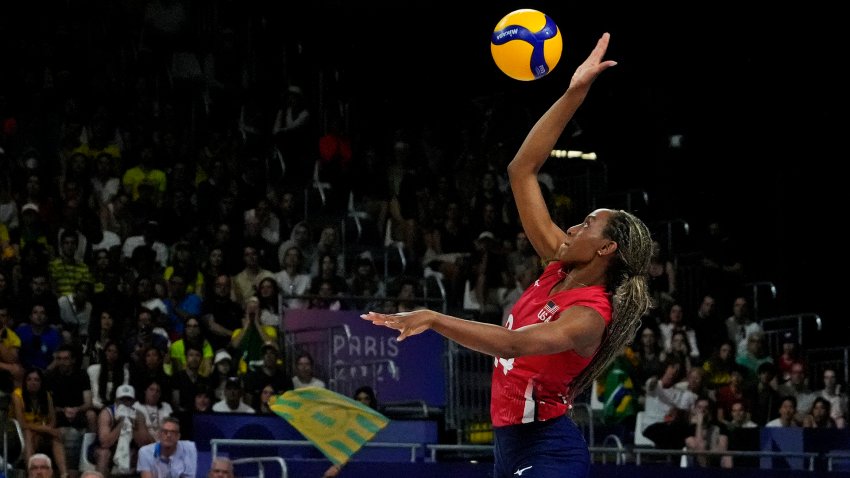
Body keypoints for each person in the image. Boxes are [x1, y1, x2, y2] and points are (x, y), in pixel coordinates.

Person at [361, 33, 654, 478]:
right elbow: (521, 170)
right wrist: (574, 91)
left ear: (606, 247)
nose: (573, 226)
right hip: (509, 446)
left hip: (549, 449)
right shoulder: (557, 266)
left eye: (587, 224)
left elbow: (515, 344)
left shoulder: (591, 315)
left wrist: (435, 318)